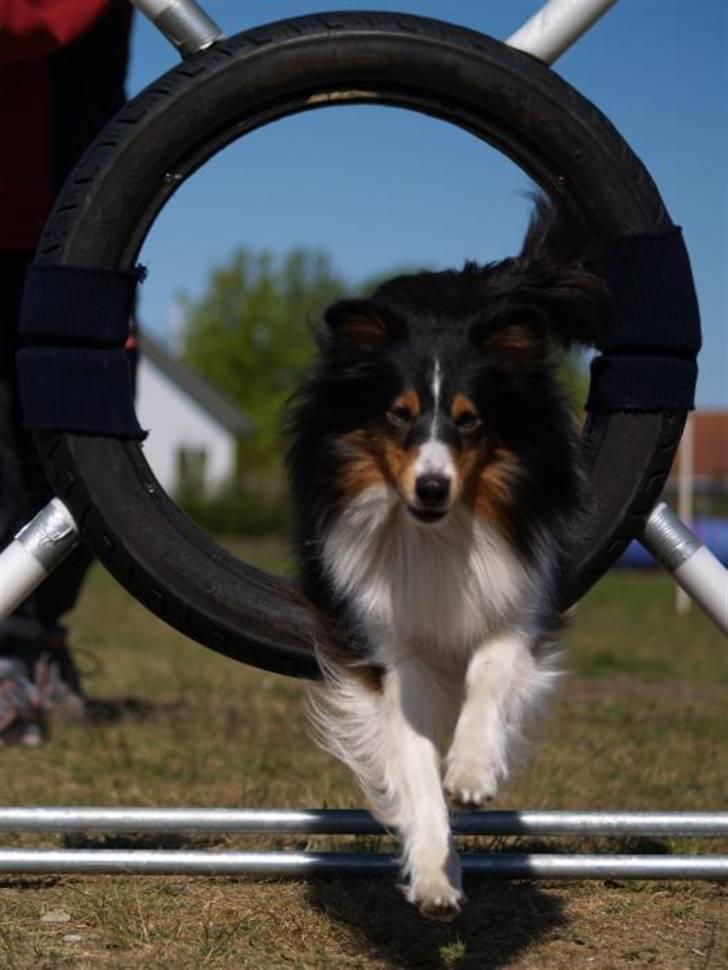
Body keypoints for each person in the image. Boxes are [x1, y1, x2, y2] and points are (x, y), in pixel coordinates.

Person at [0, 0, 133, 742]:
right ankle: (9, 651)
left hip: (82, 220)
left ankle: (42, 639)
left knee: (85, 450)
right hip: (19, 213)